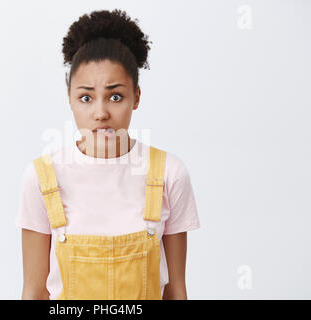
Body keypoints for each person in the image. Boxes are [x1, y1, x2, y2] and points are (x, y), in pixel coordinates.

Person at [16, 9, 200, 300]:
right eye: (86, 97)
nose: (100, 113)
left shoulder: (169, 174)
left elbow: (176, 291)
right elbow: (34, 292)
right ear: (70, 99)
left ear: (136, 97)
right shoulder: (41, 178)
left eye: (115, 96)